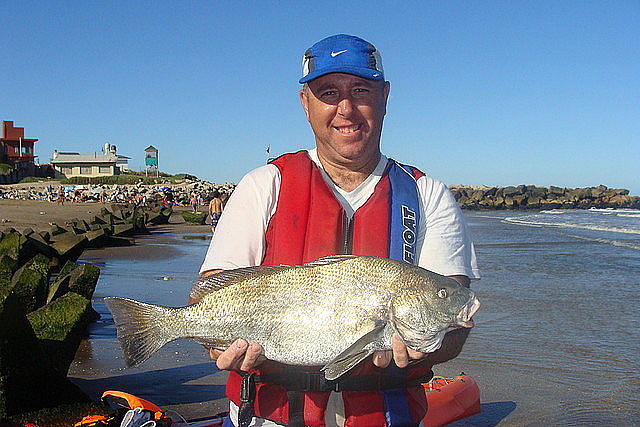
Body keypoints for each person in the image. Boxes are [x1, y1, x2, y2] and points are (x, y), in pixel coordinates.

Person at [196, 34, 480, 427]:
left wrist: (423, 348)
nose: (346, 109)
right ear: (305, 104)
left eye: (361, 90)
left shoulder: (427, 193)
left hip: (386, 415)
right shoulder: (264, 184)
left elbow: (454, 322)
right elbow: (216, 288)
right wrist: (219, 344)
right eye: (328, 92)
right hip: (269, 417)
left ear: (384, 96)